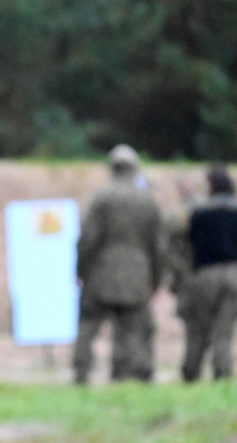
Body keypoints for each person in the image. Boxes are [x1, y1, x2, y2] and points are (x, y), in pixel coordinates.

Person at [72, 144, 164, 384]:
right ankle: (132, 373)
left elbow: (88, 239)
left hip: (100, 273)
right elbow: (158, 246)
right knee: (135, 328)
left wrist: (80, 271)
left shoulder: (101, 197)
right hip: (138, 274)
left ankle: (81, 372)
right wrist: (156, 279)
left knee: (89, 324)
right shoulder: (147, 200)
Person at [178, 165, 237, 381]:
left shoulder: (199, 213)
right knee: (225, 330)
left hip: (205, 274)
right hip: (234, 273)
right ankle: (222, 372)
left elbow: (188, 240)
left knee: (199, 329)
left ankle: (190, 373)